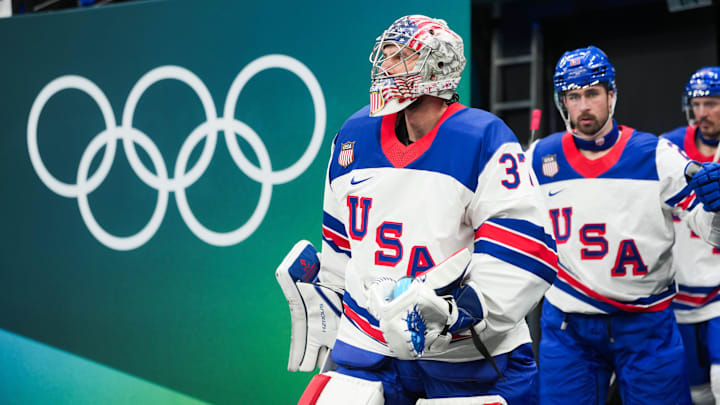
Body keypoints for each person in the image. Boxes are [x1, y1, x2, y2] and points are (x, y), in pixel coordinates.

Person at [276, 15, 558, 405]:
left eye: (401, 57)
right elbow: (341, 243)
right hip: (371, 346)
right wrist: (331, 303)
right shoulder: (354, 135)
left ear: (439, 70)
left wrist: (460, 312)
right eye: (386, 56)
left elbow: (525, 246)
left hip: (462, 353)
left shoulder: (482, 138)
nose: (386, 67)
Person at [527, 46, 720, 405]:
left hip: (646, 324)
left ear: (611, 95)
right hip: (568, 326)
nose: (584, 105)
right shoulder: (538, 158)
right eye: (574, 95)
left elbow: (711, 231)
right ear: (562, 101)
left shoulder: (656, 154)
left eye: (592, 93)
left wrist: (718, 207)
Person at [662, 67, 720, 405]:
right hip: (681, 294)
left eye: (711, 103)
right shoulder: (668, 149)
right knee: (695, 394)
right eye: (696, 104)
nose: (702, 113)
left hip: (718, 290)